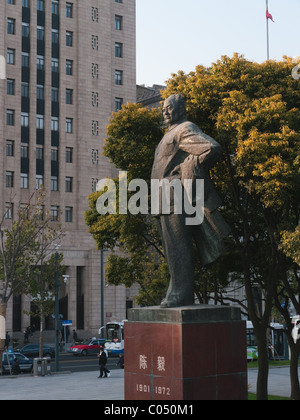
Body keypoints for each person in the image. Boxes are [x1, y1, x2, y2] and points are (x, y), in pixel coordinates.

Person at [151, 94, 231, 308]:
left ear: (180, 108)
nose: (165, 112)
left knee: (178, 246)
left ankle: (180, 293)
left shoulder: (184, 128)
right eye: (164, 109)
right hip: (164, 197)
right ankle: (177, 291)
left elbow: (211, 148)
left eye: (169, 108)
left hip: (175, 195)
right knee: (171, 249)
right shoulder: (171, 132)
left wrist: (187, 166)